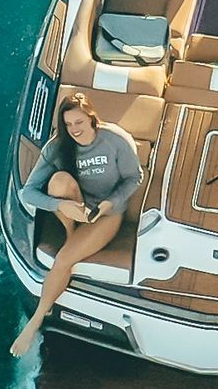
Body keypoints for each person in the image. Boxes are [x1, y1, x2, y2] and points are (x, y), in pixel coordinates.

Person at [11, 92, 143, 356]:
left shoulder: (115, 140)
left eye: (79, 123)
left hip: (107, 214)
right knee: (58, 180)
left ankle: (36, 320)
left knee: (63, 260)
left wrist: (109, 203)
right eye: (69, 124)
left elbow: (134, 177)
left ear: (92, 119)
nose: (74, 130)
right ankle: (73, 234)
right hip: (76, 209)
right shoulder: (58, 147)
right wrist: (61, 205)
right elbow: (28, 192)